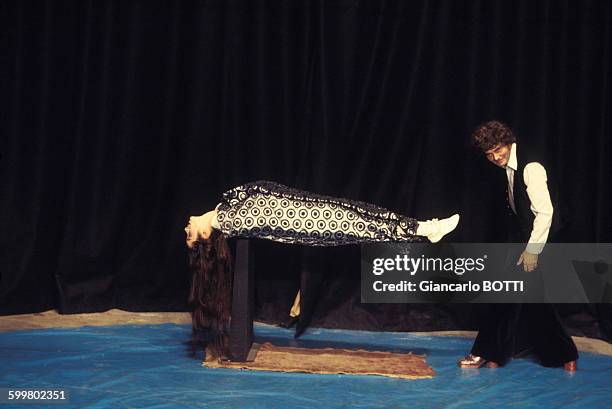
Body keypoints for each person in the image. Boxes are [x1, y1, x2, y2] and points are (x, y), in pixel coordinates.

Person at [185, 180, 460, 358]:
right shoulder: (228, 219)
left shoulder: (224, 210)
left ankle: (424, 228)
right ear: (205, 236)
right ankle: (425, 229)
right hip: (309, 220)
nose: (186, 228)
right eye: (190, 235)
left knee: (364, 216)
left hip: (307, 210)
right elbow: (274, 215)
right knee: (364, 223)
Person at [458, 121, 578, 372]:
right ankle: (564, 354)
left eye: (498, 150)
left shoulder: (531, 167)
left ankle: (486, 352)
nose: (494, 157)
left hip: (540, 237)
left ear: (508, 142)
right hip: (522, 235)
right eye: (489, 154)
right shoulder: (507, 166)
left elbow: (545, 213)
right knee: (530, 298)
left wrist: (532, 250)